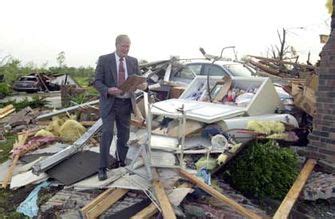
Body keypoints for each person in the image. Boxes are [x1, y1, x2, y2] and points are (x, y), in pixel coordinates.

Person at [94, 34, 141, 181]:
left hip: (126, 104)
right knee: (107, 133)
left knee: (124, 136)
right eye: (123, 46)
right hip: (109, 103)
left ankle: (121, 162)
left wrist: (142, 84)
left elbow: (138, 79)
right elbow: (96, 81)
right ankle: (102, 168)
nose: (126, 49)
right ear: (116, 45)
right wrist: (107, 90)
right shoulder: (104, 60)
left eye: (128, 46)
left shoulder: (133, 61)